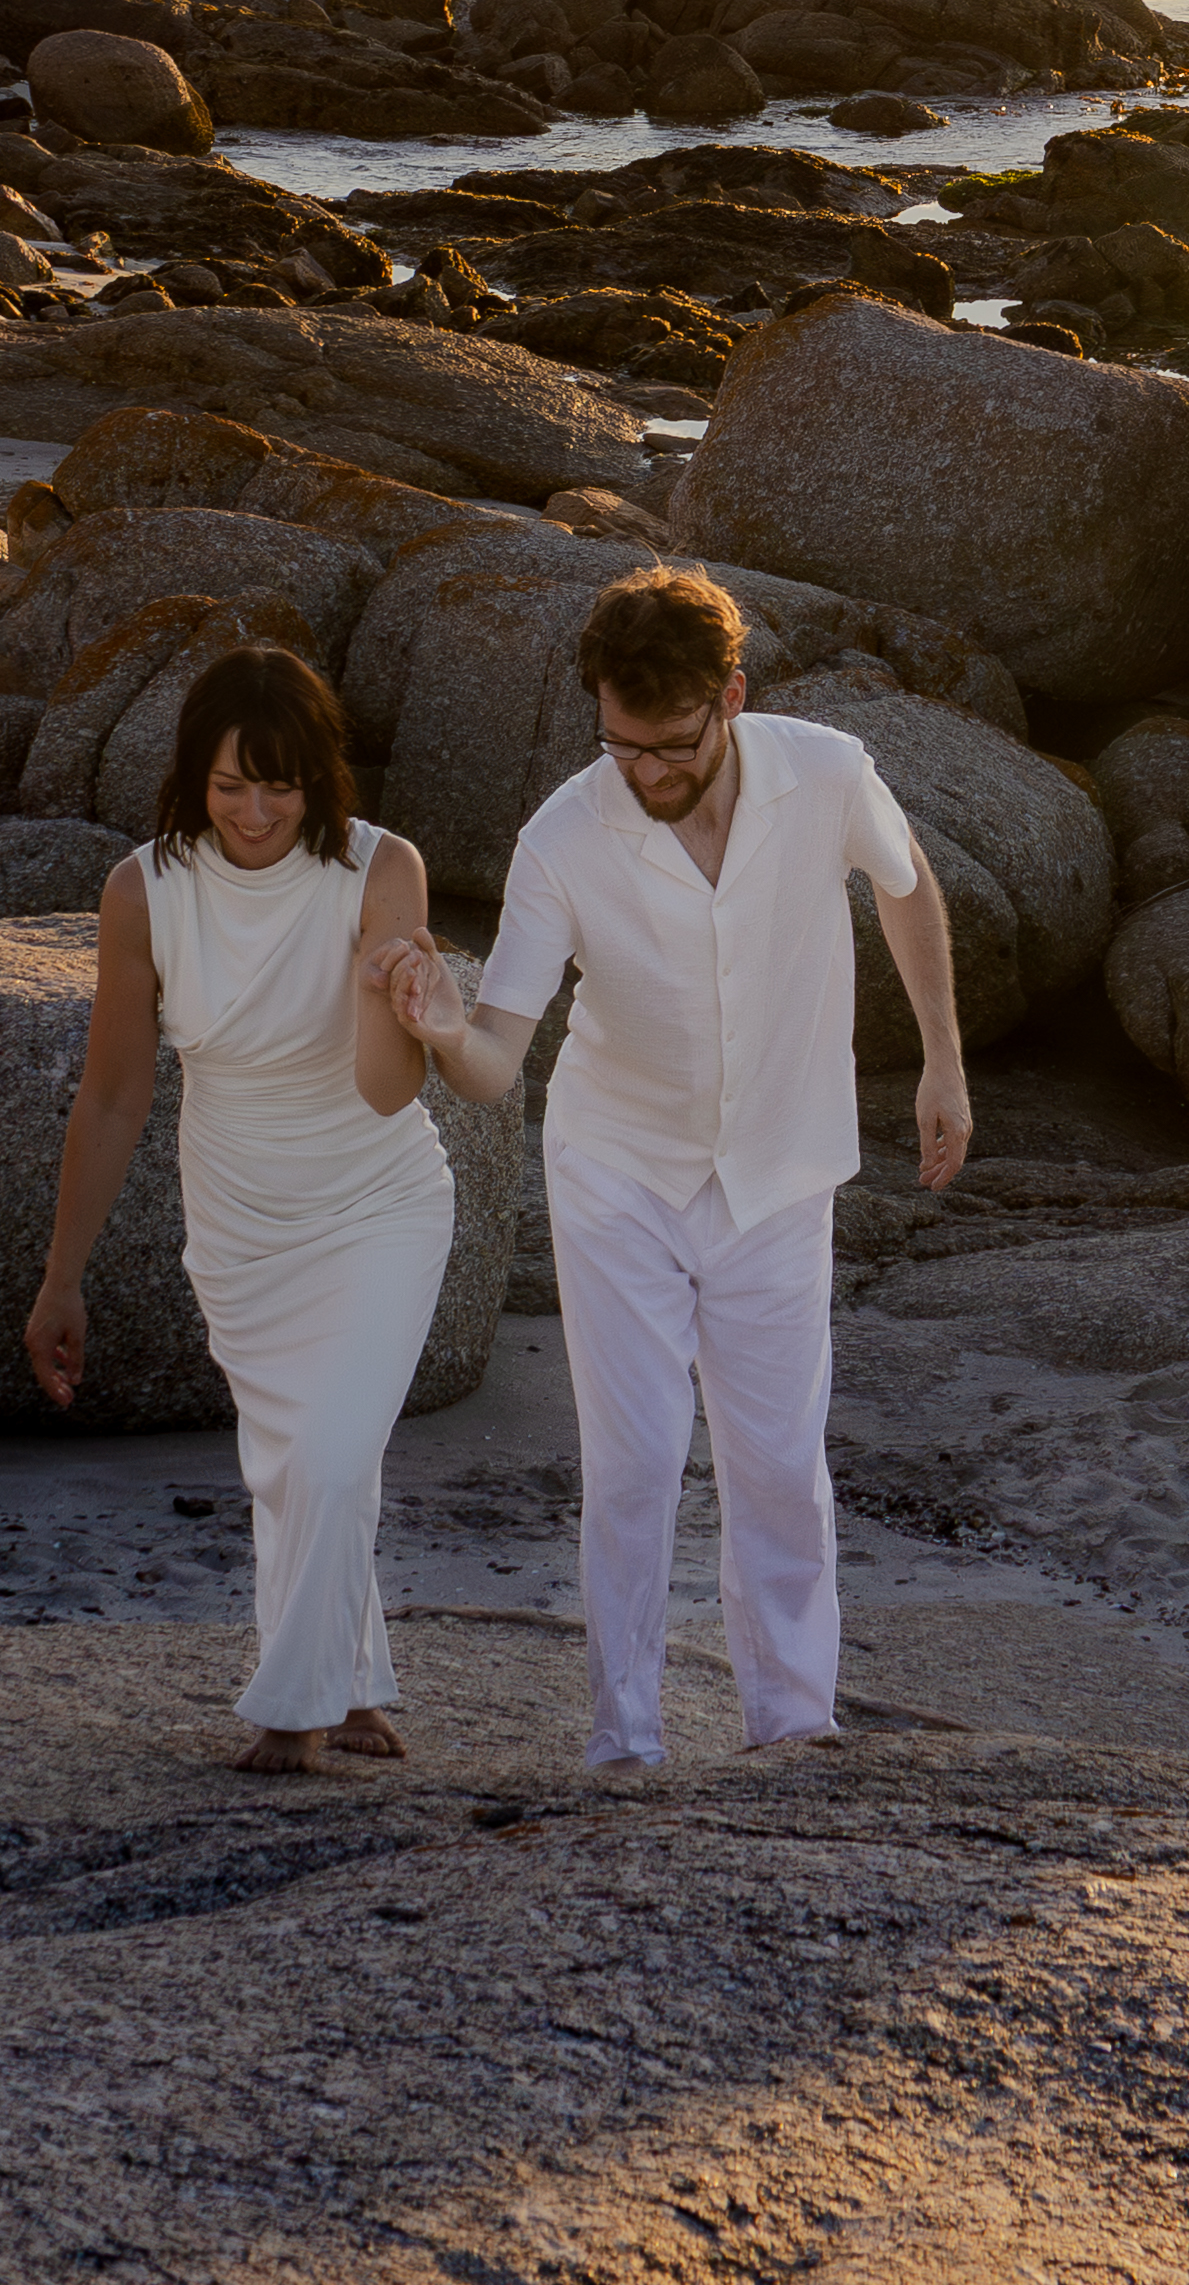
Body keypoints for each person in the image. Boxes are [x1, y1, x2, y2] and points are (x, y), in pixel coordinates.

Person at [390, 568, 970, 1769]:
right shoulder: (561, 835)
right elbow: (501, 1052)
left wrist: (942, 1063)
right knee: (641, 1461)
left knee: (777, 1465)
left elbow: (908, 889)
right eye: (622, 747)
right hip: (619, 1175)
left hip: (778, 1168)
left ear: (731, 700)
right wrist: (448, 1031)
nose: (645, 775)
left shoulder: (825, 771)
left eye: (671, 747)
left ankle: (796, 1729)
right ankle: (626, 1740)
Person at [24, 644, 454, 1778]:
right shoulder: (143, 890)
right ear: (190, 779)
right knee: (291, 1461)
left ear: (319, 775)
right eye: (229, 785)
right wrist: (62, 1275)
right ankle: (356, 1680)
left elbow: (388, 1086)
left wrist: (391, 996)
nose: (256, 812)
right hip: (239, 1219)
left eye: (281, 783)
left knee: (329, 1443)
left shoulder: (381, 870)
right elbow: (114, 1092)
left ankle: (295, 1704)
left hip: (378, 1202)